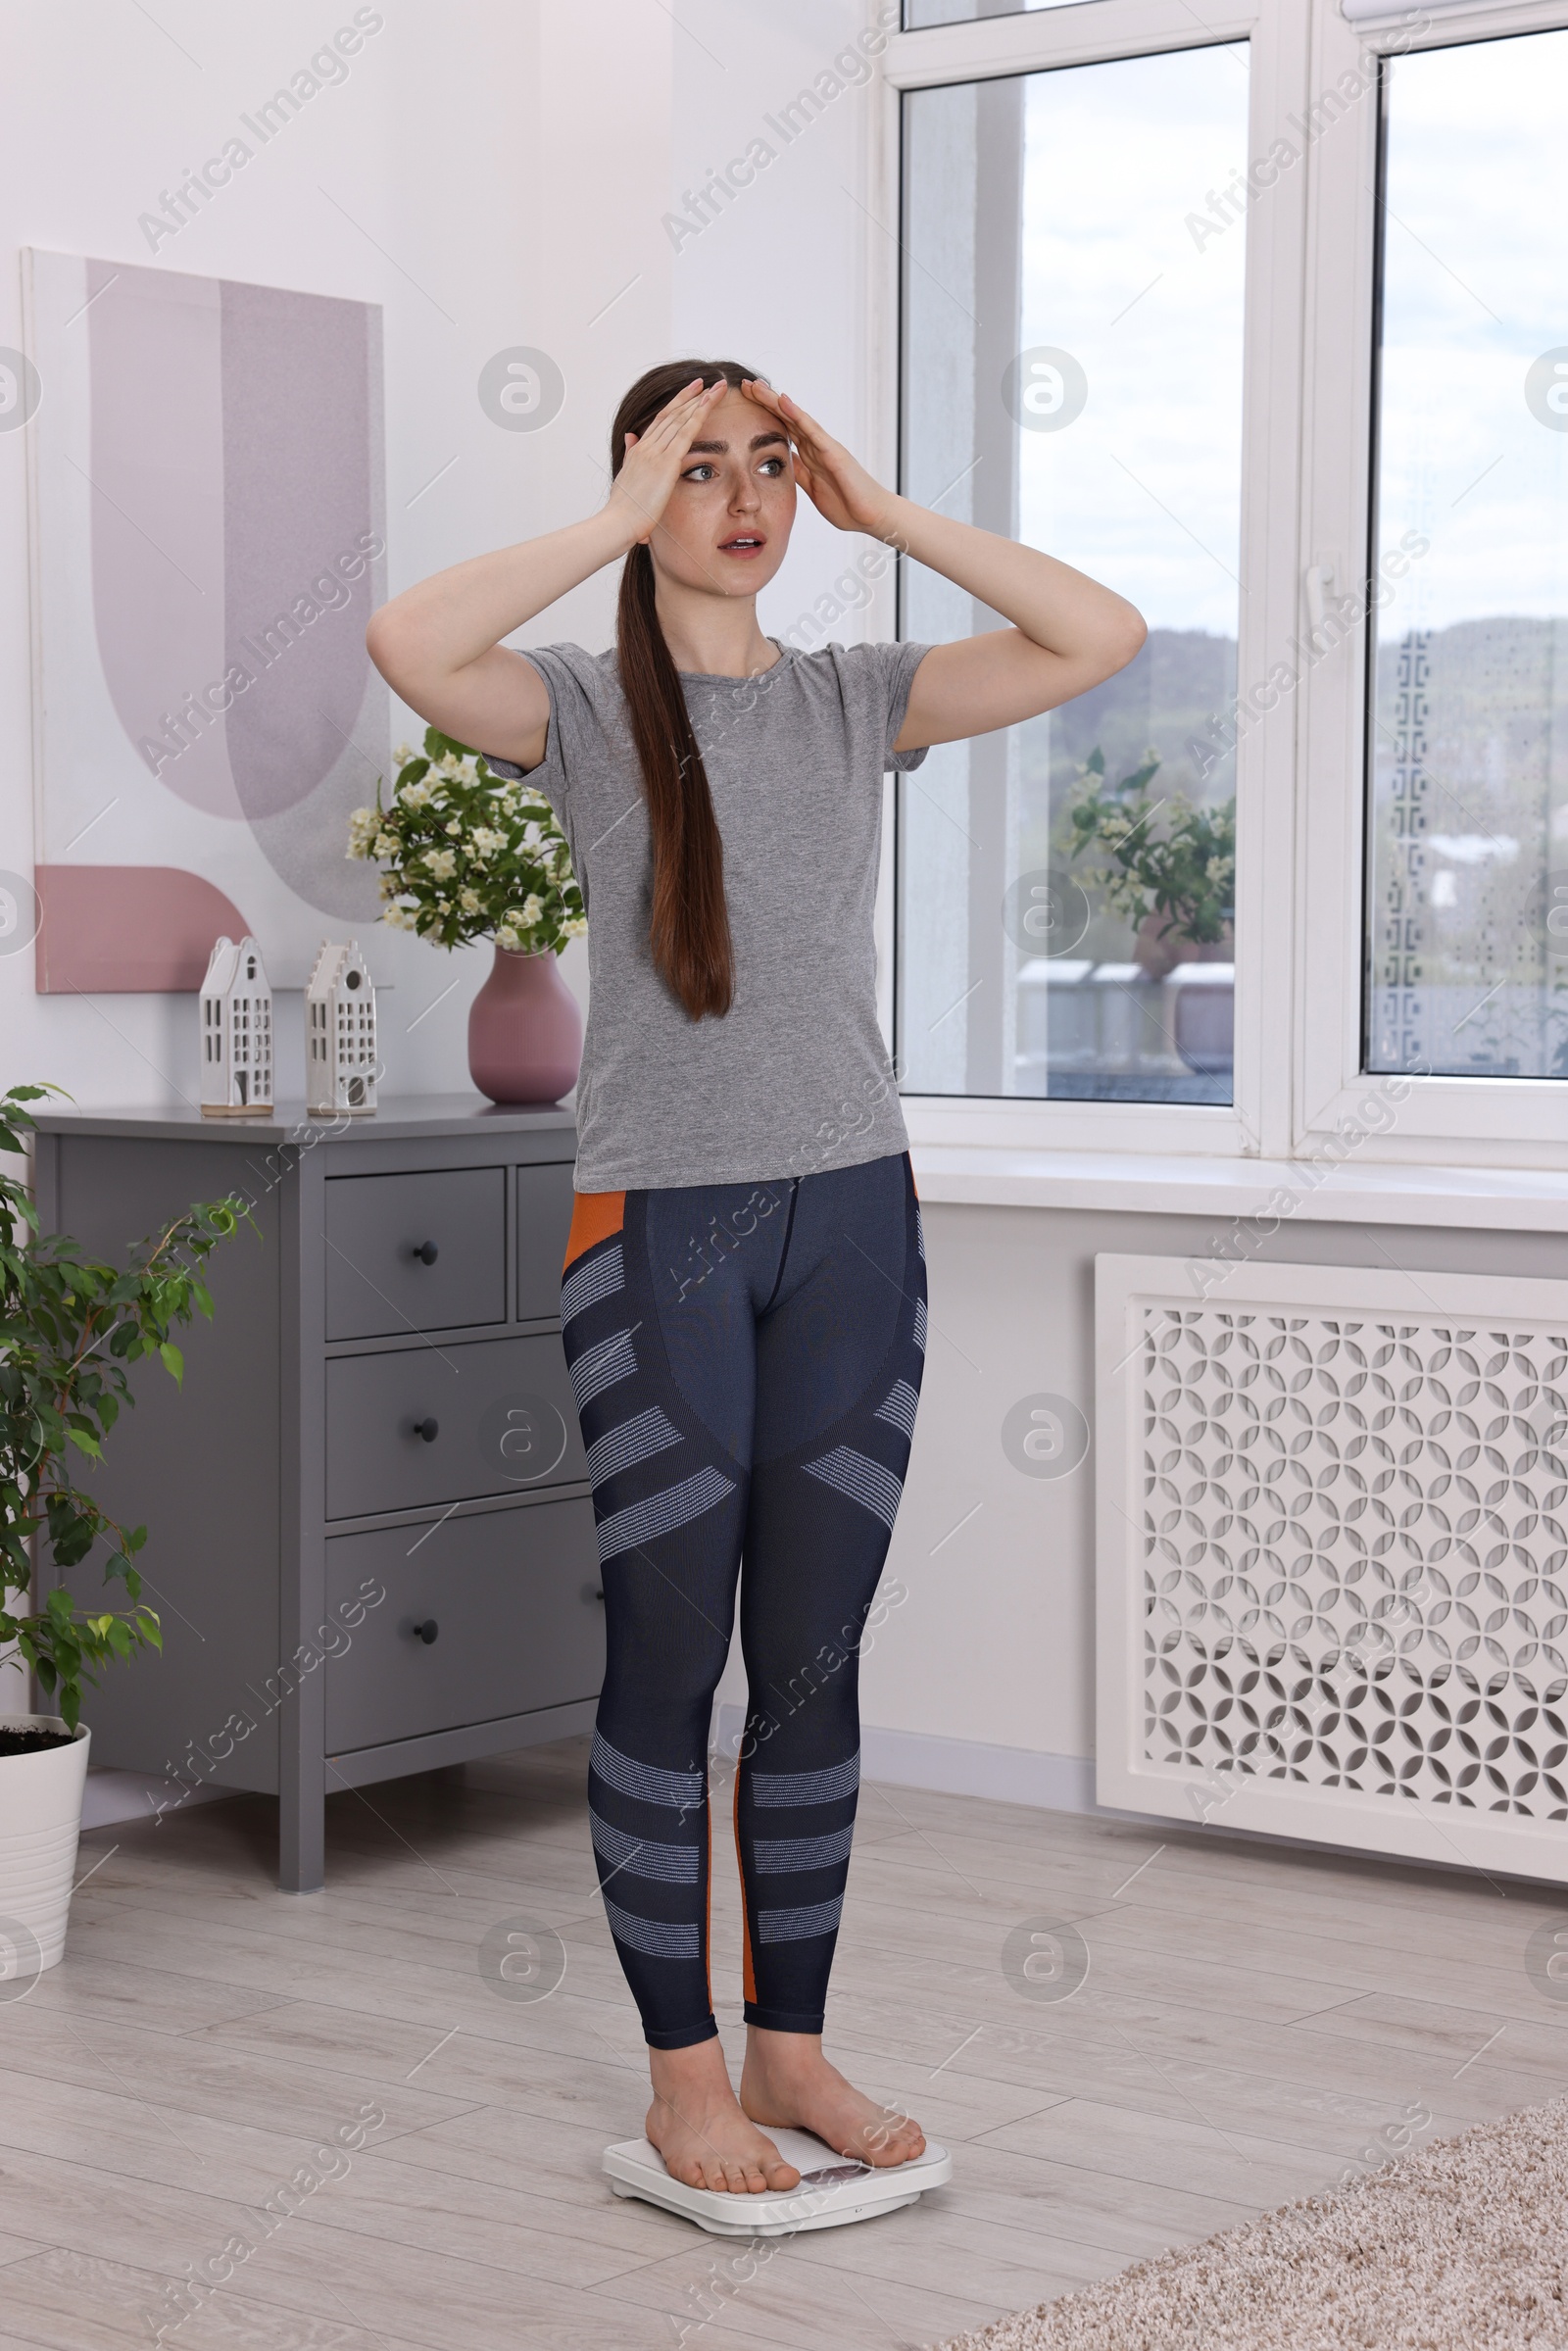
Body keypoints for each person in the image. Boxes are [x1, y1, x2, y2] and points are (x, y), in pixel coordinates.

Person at [366, 359, 1145, 2197]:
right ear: (643, 491)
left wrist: (884, 516)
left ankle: (789, 2048)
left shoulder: (859, 702)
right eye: (700, 469)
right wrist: (616, 521)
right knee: (664, 1660)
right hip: (661, 1229)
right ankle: (680, 2075)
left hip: (856, 1214)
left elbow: (1098, 633)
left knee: (809, 1664)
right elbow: (409, 635)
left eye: (768, 467)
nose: (745, 498)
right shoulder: (570, 706)